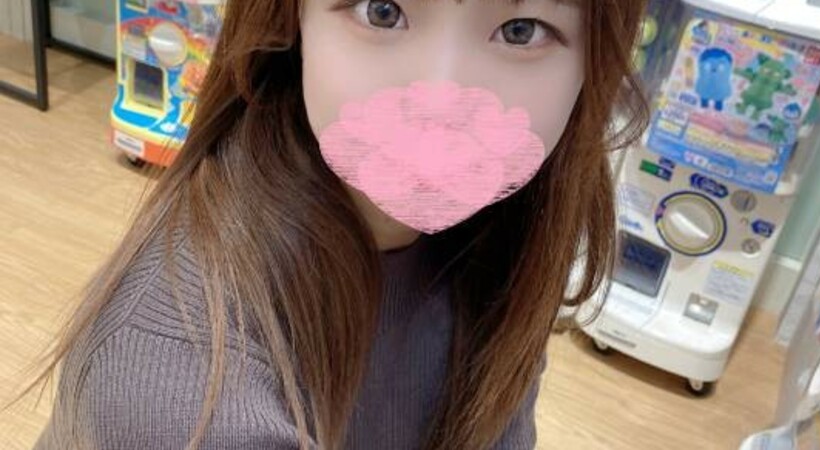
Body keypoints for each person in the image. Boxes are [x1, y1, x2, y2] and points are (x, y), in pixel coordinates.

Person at [11, 0, 648, 448]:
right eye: (382, 11)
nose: (441, 100)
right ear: (292, 20)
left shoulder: (502, 240)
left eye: (520, 30)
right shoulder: (182, 388)